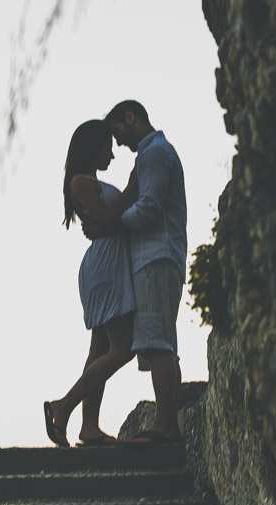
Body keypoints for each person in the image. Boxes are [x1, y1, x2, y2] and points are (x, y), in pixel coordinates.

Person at [85, 100, 187, 445]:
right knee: (162, 342)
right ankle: (167, 423)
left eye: (118, 132)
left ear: (131, 117)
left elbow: (149, 208)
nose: (119, 142)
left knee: (157, 342)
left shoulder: (155, 153)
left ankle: (164, 427)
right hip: (156, 257)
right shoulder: (153, 153)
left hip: (156, 257)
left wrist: (109, 228)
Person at [44, 120, 138, 447]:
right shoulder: (80, 182)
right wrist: (131, 190)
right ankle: (63, 406)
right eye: (107, 147)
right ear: (92, 146)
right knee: (123, 348)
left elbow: (109, 222)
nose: (112, 155)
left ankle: (89, 427)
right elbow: (109, 219)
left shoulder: (91, 181)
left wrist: (116, 217)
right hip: (105, 267)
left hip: (109, 263)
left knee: (99, 350)